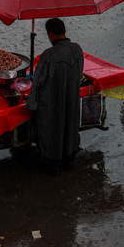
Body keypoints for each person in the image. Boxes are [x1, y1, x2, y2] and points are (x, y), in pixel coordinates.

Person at [26, 18, 84, 175]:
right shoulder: (77, 49)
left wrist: (31, 103)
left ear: (50, 34)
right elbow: (79, 73)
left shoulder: (49, 55)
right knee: (69, 126)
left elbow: (37, 82)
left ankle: (53, 164)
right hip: (71, 98)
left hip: (51, 102)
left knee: (51, 129)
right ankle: (70, 159)